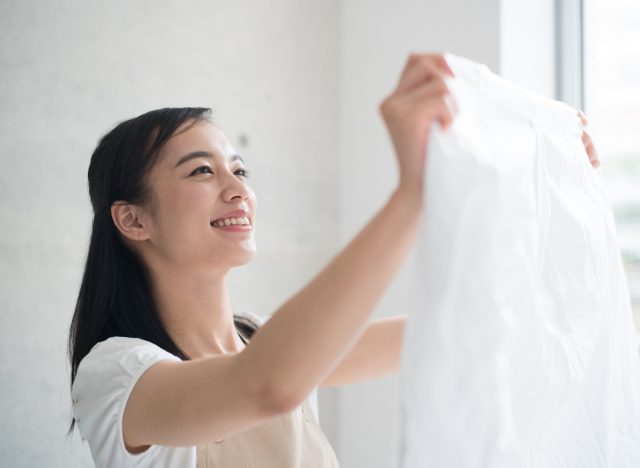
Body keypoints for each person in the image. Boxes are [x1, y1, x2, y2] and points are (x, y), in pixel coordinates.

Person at [67, 53, 599, 468]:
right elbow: (268, 384)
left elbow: (467, 328)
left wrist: (543, 181)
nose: (238, 190)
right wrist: (414, 193)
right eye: (202, 172)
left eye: (240, 170)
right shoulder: (115, 374)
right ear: (133, 220)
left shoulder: (264, 338)